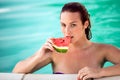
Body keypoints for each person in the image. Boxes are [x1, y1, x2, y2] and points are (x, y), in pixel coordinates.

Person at [12, 2, 120, 80]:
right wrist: (39, 56)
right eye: (63, 25)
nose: (67, 31)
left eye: (73, 25)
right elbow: (16, 71)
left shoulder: (103, 50)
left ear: (85, 24)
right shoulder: (54, 51)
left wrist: (100, 72)